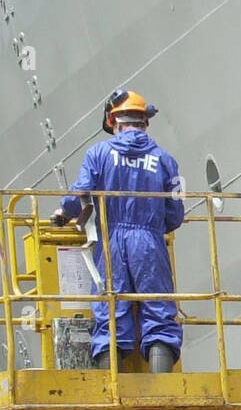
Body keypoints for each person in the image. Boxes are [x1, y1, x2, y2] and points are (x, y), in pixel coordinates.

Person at [52, 89, 184, 372]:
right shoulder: (165, 160)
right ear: (144, 121)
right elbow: (175, 215)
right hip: (149, 243)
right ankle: (162, 387)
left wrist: (64, 213)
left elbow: (80, 195)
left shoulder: (99, 153)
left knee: (110, 313)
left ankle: (114, 388)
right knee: (159, 311)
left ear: (114, 122)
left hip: (110, 242)